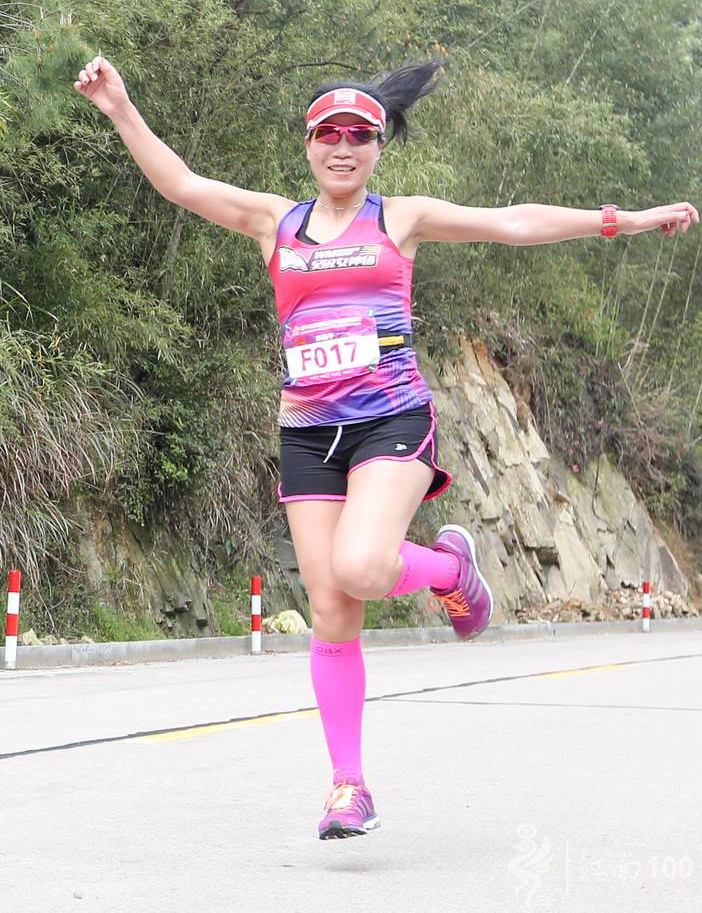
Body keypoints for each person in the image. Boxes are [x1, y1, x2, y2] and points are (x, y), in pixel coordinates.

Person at [74, 54, 698, 840]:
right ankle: (349, 785)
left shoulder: (399, 219)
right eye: (328, 134)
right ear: (308, 144)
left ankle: (451, 571)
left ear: (378, 147)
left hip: (391, 419)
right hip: (308, 432)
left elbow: (514, 222)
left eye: (359, 136)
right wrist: (120, 107)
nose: (343, 147)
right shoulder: (276, 222)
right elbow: (182, 183)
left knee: (364, 566)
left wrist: (624, 219)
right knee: (333, 611)